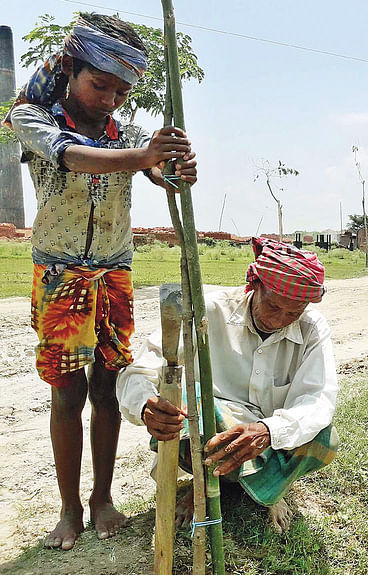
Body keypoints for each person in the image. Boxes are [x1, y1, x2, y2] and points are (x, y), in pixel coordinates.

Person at [6, 13, 197, 550]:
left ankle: (102, 498)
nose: (110, 98)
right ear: (71, 71)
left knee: (108, 392)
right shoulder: (34, 119)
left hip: (114, 274)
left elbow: (159, 173)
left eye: (120, 90)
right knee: (67, 396)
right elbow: (74, 158)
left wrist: (175, 169)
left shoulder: (126, 133)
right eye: (100, 84)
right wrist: (143, 156)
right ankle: (68, 508)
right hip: (61, 274)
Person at [117, 238, 339, 533]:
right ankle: (203, 488)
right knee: (190, 398)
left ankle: (271, 491)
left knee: (325, 438)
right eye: (273, 306)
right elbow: (140, 370)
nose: (281, 319)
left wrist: (267, 431)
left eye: (293, 313)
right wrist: (146, 406)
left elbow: (319, 400)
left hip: (265, 443)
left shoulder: (312, 329)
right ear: (254, 285)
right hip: (209, 433)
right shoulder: (208, 311)